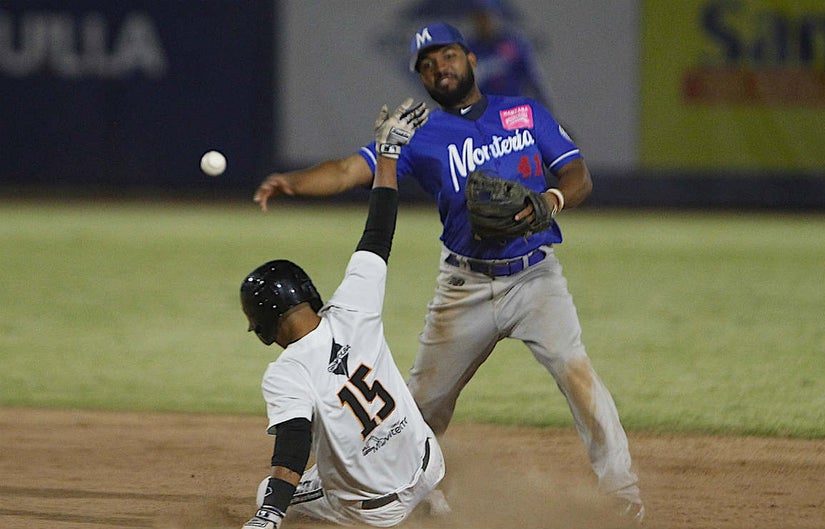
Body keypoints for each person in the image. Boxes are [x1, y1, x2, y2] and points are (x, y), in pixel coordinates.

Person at [253, 22, 645, 523]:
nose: (440, 67)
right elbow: (350, 170)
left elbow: (577, 174)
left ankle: (622, 491)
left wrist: (552, 199)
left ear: (471, 59)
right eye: (427, 64)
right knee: (418, 407)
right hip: (465, 286)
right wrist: (292, 183)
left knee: (577, 373)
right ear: (421, 78)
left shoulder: (523, 113)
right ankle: (410, 491)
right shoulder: (421, 137)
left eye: (448, 56)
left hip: (535, 278)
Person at [239, 99, 445, 529]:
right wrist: (388, 155)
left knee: (267, 491)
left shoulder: (286, 372)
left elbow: (294, 443)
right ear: (307, 293)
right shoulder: (354, 304)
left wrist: (269, 514)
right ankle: (432, 500)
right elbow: (379, 231)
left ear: (265, 326)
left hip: (379, 511)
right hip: (430, 465)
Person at [465, 0, 551, 106]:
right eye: (477, 17)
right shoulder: (469, 48)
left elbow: (532, 78)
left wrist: (544, 106)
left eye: (486, 16)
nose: (482, 22)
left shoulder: (513, 43)